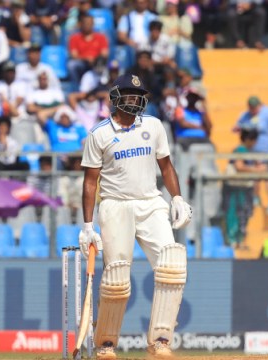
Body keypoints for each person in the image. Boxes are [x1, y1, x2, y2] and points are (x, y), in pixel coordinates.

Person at [80, 73, 192, 359]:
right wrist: (87, 225)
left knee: (173, 265)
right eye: (128, 95)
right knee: (116, 278)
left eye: (138, 96)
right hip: (115, 205)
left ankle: (160, 341)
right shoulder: (99, 133)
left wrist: (176, 197)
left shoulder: (153, 126)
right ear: (115, 99)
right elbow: (90, 181)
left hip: (151, 202)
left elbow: (166, 166)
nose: (134, 100)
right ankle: (105, 344)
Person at [235, 96, 268, 215]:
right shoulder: (246, 115)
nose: (252, 110)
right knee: (255, 175)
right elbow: (237, 126)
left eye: (254, 107)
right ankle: (256, 197)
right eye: (250, 107)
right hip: (252, 153)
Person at [222, 128, 267, 248]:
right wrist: (256, 169)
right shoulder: (241, 150)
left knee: (243, 215)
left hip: (244, 189)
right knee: (235, 215)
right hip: (235, 190)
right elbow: (239, 166)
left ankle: (239, 241)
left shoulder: (249, 152)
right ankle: (234, 241)